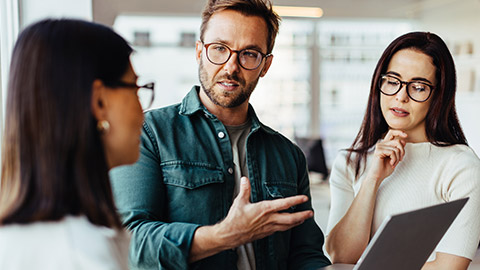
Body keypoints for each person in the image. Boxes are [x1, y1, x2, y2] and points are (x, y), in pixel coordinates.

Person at [109, 0, 331, 269]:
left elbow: (306, 256)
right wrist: (223, 236)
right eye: (219, 49)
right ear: (199, 51)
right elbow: (129, 243)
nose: (231, 67)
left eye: (249, 53)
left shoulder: (289, 155)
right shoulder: (150, 133)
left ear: (266, 65)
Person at [0, 18, 154, 269]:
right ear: (99, 102)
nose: (142, 112)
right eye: (135, 89)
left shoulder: (15, 238)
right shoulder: (81, 255)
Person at [325, 31, 480, 270]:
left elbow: (449, 267)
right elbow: (342, 257)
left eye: (418, 87)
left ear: (438, 95)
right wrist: (372, 179)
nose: (400, 96)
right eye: (392, 81)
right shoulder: (349, 161)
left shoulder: (460, 165)